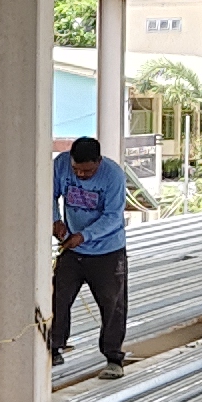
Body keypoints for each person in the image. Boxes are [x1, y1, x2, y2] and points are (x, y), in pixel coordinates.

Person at [50, 131, 134, 375]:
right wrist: (55, 221)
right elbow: (49, 195)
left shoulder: (114, 176)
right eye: (77, 170)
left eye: (87, 171)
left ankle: (113, 358)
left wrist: (84, 236)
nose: (80, 175)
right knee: (58, 298)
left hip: (107, 251)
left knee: (113, 304)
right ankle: (54, 347)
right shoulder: (61, 164)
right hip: (71, 248)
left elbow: (112, 216)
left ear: (99, 162)